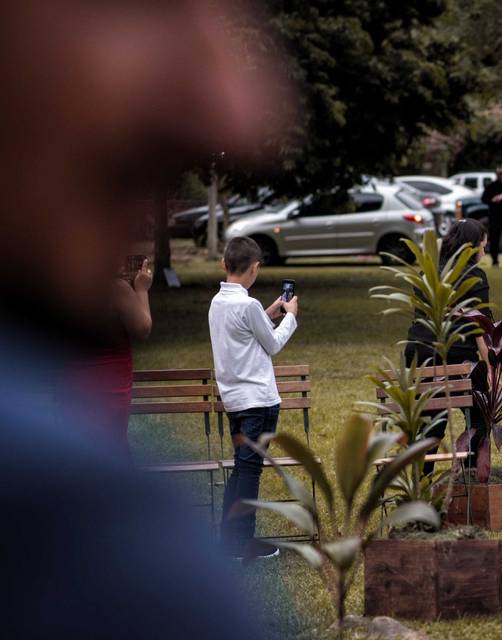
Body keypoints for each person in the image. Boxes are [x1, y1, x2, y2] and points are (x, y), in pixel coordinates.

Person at [1, 1, 284, 636]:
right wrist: (279, 319)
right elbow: (171, 330)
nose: (236, 109)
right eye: (151, 13)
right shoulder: (91, 530)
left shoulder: (218, 303)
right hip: (240, 397)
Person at [209, 236, 299, 559]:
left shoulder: (218, 303)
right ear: (255, 268)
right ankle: (243, 542)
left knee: (240, 470)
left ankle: (227, 540)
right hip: (258, 402)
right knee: (250, 472)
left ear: (224, 264)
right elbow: (272, 344)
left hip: (235, 401)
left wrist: (272, 309)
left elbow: (249, 330)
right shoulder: (247, 306)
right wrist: (290, 316)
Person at [405, 218, 492, 472]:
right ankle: (471, 478)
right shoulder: (474, 275)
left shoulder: (427, 272)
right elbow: (482, 327)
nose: (484, 253)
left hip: (417, 355)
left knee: (432, 421)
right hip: (456, 357)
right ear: (471, 247)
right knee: (480, 418)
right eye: (482, 247)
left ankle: (421, 483)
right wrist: (491, 370)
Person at [61, 256, 154, 458]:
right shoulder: (115, 289)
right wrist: (141, 289)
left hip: (73, 380)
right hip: (110, 382)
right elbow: (143, 328)